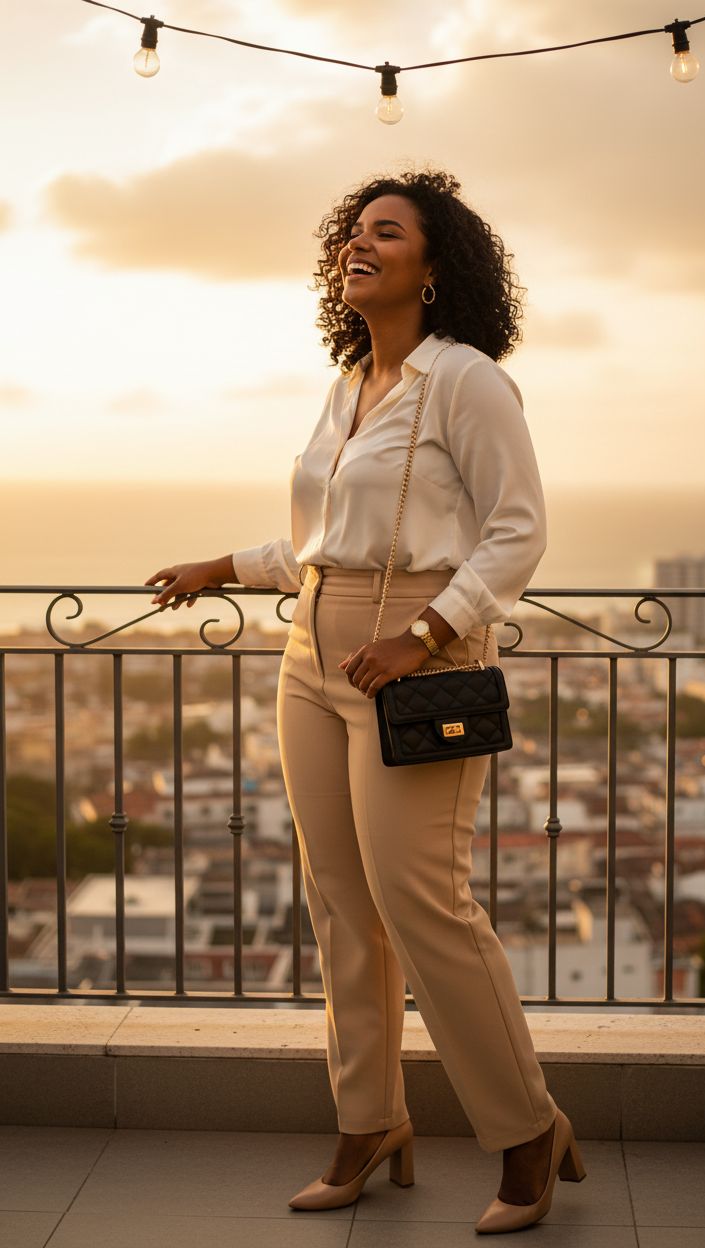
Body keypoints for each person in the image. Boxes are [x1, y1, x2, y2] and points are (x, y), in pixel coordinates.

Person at [144, 167, 586, 1234]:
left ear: (434, 269)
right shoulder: (348, 388)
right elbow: (321, 548)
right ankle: (367, 1121)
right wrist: (221, 565)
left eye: (386, 231)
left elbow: (517, 530)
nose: (359, 241)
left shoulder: (468, 381)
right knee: (339, 908)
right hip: (313, 657)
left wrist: (426, 632)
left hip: (415, 664)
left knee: (424, 905)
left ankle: (526, 1130)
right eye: (352, 229)